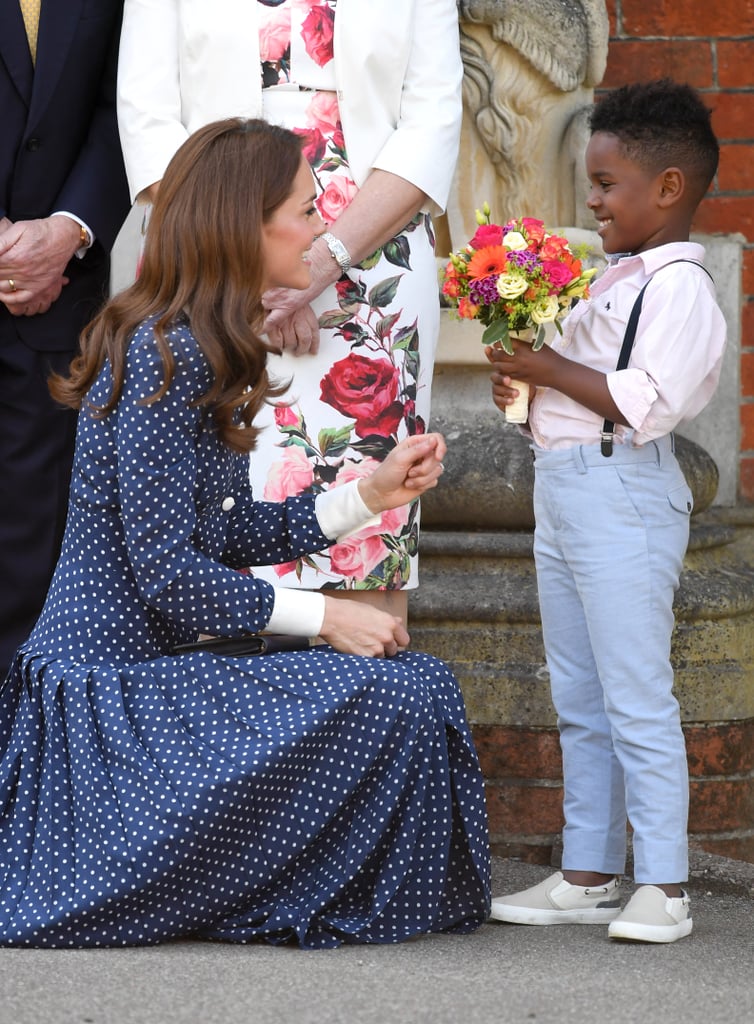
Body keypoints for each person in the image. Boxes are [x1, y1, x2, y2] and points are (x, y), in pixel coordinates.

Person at [0, 119, 490, 948]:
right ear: (245, 225)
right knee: (400, 694)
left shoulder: (195, 344)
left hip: (153, 683)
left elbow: (226, 534)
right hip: (110, 706)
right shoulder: (163, 356)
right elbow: (167, 575)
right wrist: (328, 617)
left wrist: (367, 493)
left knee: (417, 685)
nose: (321, 222)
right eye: (304, 208)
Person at [116, 0, 464, 626]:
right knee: (215, 492)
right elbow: (147, 115)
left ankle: (360, 695)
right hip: (208, 248)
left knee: (364, 511)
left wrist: (325, 260)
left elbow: (433, 115)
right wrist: (242, 266)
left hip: (375, 248)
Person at [485, 80, 726, 943]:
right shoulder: (612, 281)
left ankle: (665, 882)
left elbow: (643, 401)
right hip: (570, 485)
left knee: (636, 695)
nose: (592, 200)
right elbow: (566, 401)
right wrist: (522, 389)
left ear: (667, 188)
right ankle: (588, 869)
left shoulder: (680, 293)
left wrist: (546, 368)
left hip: (625, 489)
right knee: (580, 692)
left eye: (606, 184)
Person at [0, 1, 131, 678]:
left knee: (35, 568)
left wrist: (68, 230)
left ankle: (18, 765)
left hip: (55, 303)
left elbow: (124, 101)